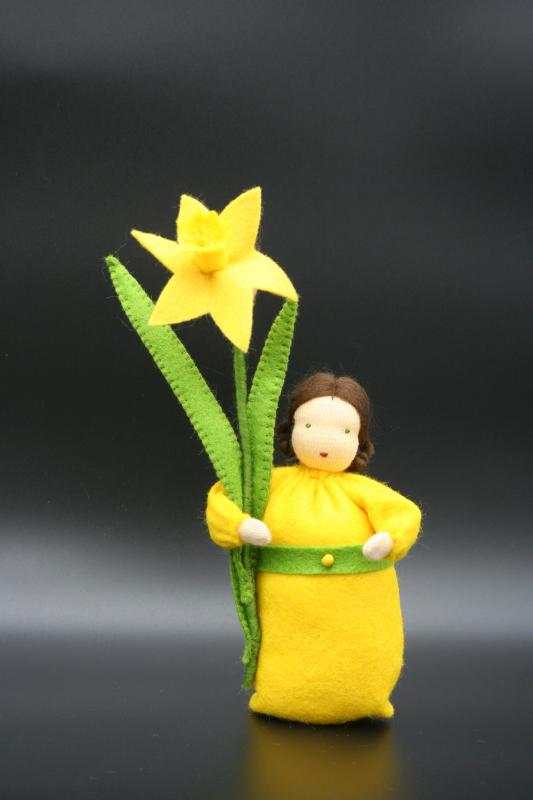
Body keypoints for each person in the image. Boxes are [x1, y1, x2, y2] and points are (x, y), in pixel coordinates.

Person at [206, 372, 422, 724]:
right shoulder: (272, 484)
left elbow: (403, 514)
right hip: (287, 610)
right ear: (291, 429)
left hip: (359, 610)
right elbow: (223, 498)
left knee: (360, 649)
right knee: (286, 647)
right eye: (308, 425)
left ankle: (367, 695)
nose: (325, 440)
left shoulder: (362, 491)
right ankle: (277, 694)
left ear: (359, 440)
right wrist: (239, 526)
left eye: (345, 431)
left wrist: (389, 539)